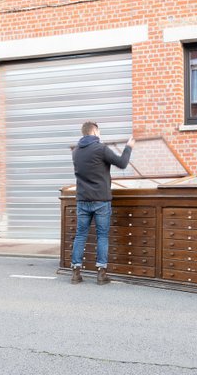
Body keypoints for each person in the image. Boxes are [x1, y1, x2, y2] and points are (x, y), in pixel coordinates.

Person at [70, 121, 135, 285]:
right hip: (101, 200)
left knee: (80, 235)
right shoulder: (101, 149)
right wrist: (128, 147)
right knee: (102, 236)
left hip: (83, 200)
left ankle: (76, 272)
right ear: (95, 131)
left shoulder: (76, 151)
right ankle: (101, 273)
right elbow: (122, 163)